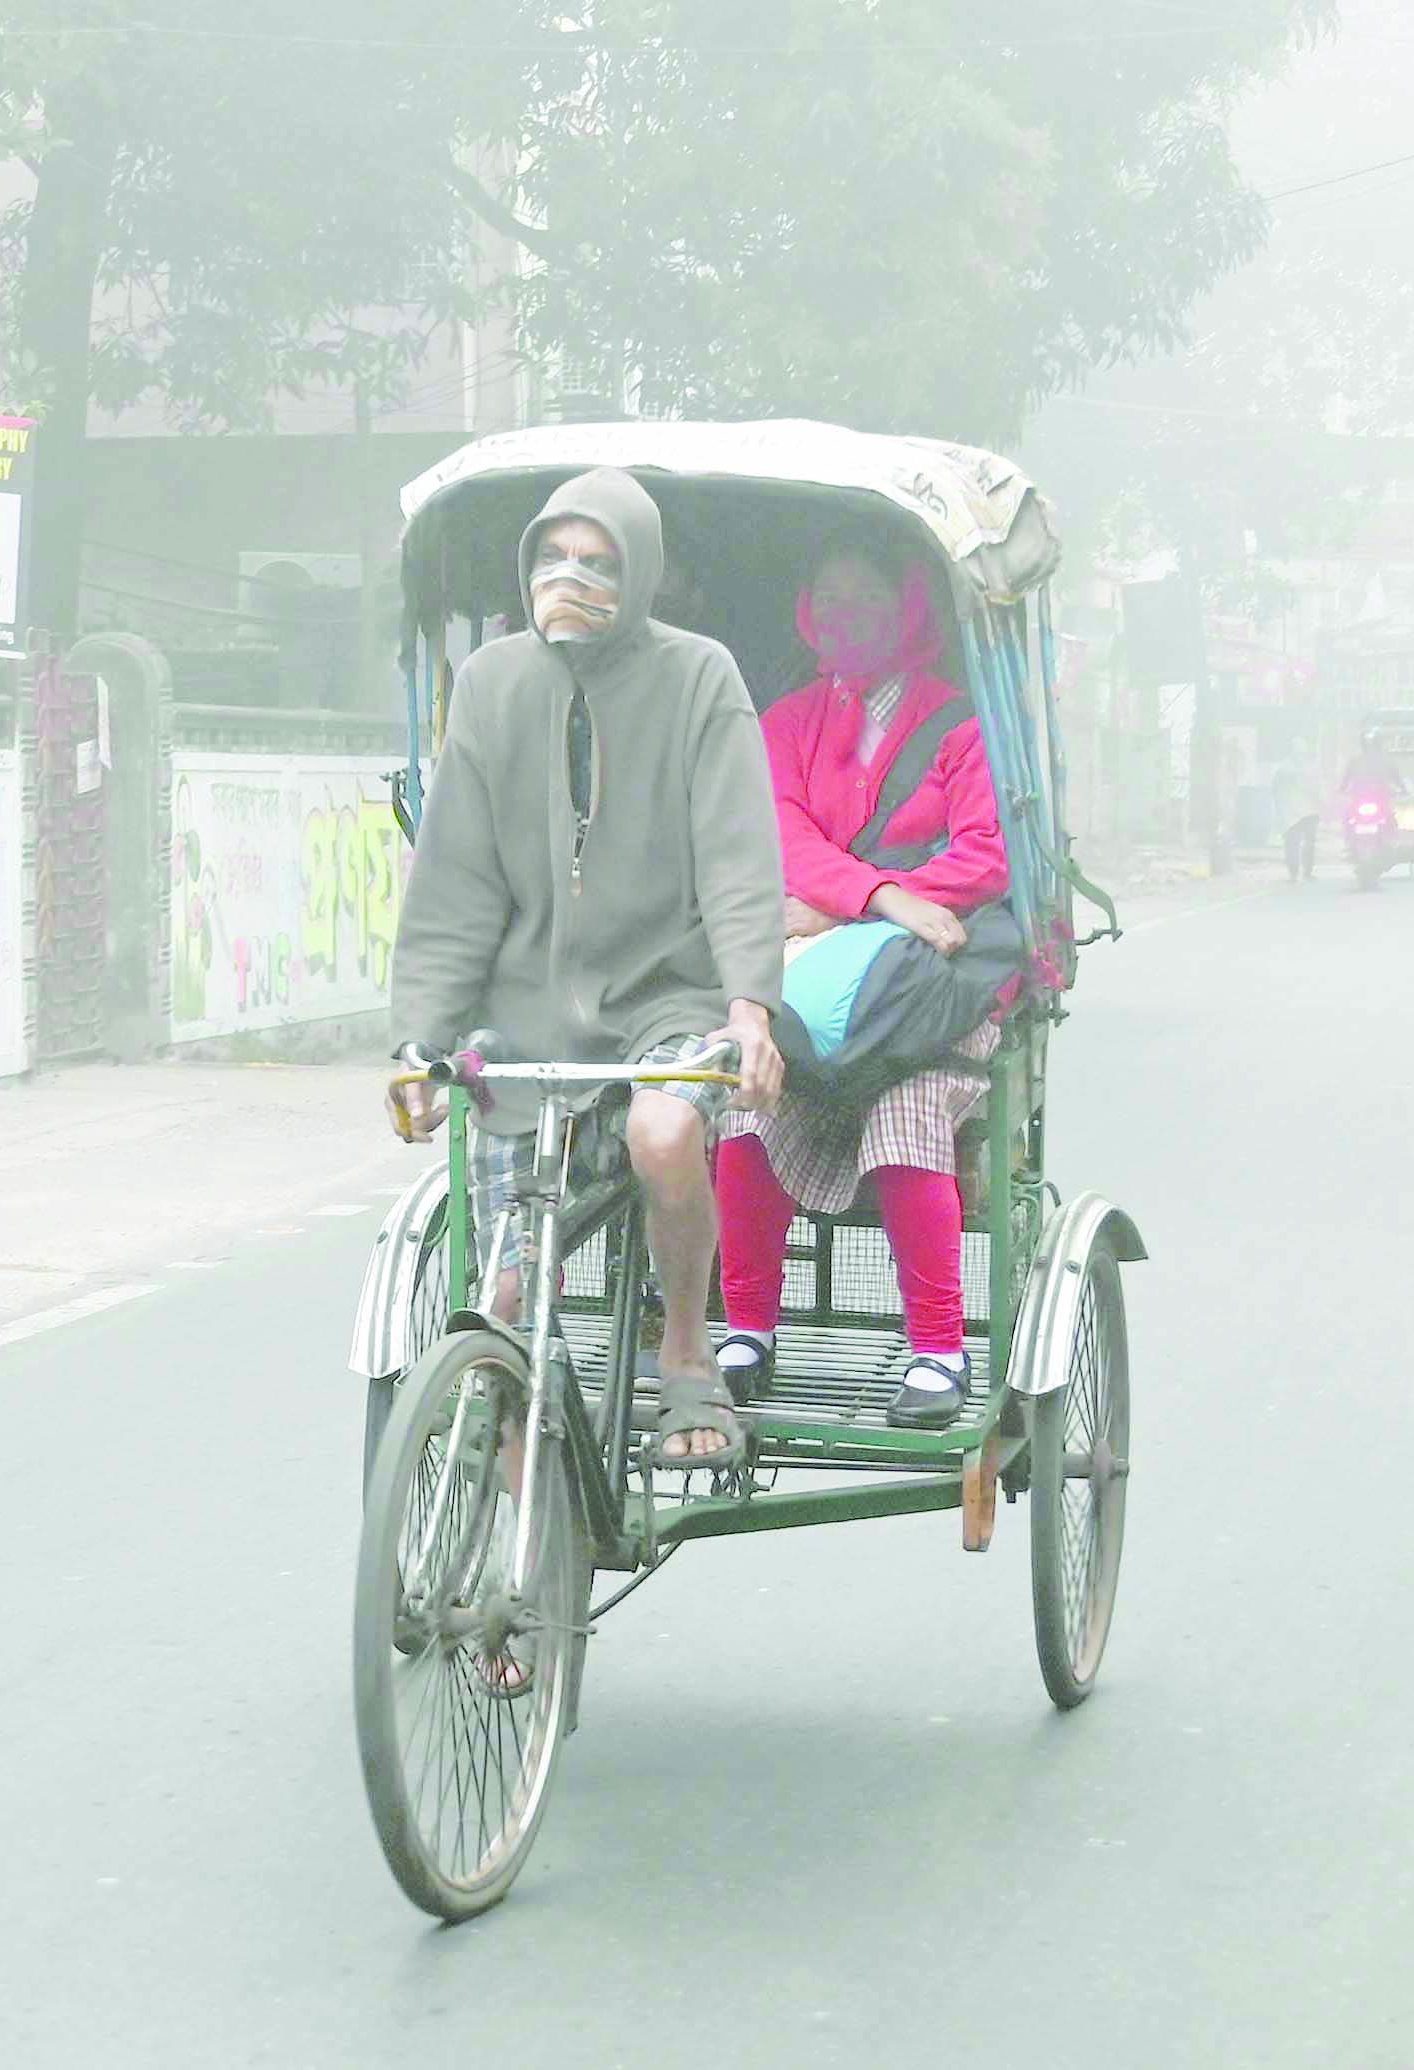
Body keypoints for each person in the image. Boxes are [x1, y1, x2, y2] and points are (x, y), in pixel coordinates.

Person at [388, 467, 787, 1470]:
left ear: (640, 573)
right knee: (504, 1305)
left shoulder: (700, 677)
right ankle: (514, 1591)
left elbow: (739, 856)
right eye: (554, 558)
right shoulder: (491, 683)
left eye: (599, 564)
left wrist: (748, 1008)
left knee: (662, 1133)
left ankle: (689, 1357)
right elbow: (456, 883)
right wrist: (420, 1041)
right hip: (525, 1014)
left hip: (669, 996)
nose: (571, 579)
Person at [714, 540, 1009, 1430]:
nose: (845, 615)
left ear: (909, 609)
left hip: (933, 997)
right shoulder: (788, 722)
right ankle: (747, 1332)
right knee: (749, 1102)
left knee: (905, 1114)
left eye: (866, 596)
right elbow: (781, 836)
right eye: (827, 597)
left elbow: (985, 855)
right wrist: (881, 898)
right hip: (817, 987)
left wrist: (844, 913)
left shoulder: (962, 724)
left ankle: (937, 1348)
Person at [1273, 744, 1323, 882]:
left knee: (1304, 844)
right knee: (1294, 844)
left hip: (1304, 812)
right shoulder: (1286, 769)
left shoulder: (1289, 768)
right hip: (1295, 812)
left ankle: (1302, 872)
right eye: (1298, 753)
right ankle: (1296, 873)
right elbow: (1277, 790)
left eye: (1302, 753)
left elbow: (1275, 790)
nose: (1300, 756)